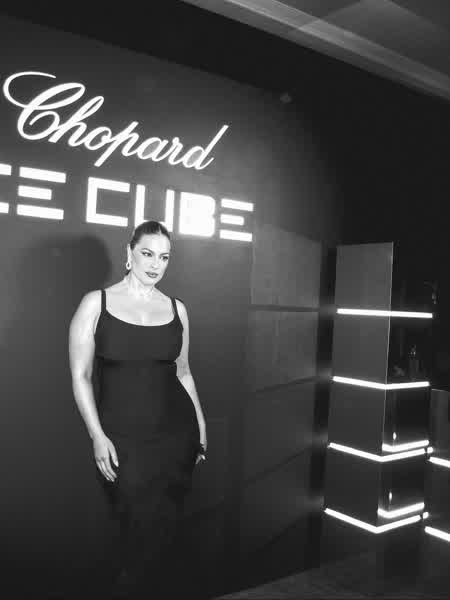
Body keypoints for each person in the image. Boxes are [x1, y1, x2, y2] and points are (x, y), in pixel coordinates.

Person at [68, 220, 207, 597]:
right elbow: (81, 376)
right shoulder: (96, 303)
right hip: (122, 439)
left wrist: (201, 427)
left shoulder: (177, 309)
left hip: (176, 438)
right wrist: (97, 436)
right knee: (133, 530)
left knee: (165, 531)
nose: (155, 264)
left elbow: (184, 372)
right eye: (147, 253)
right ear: (129, 253)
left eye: (164, 257)